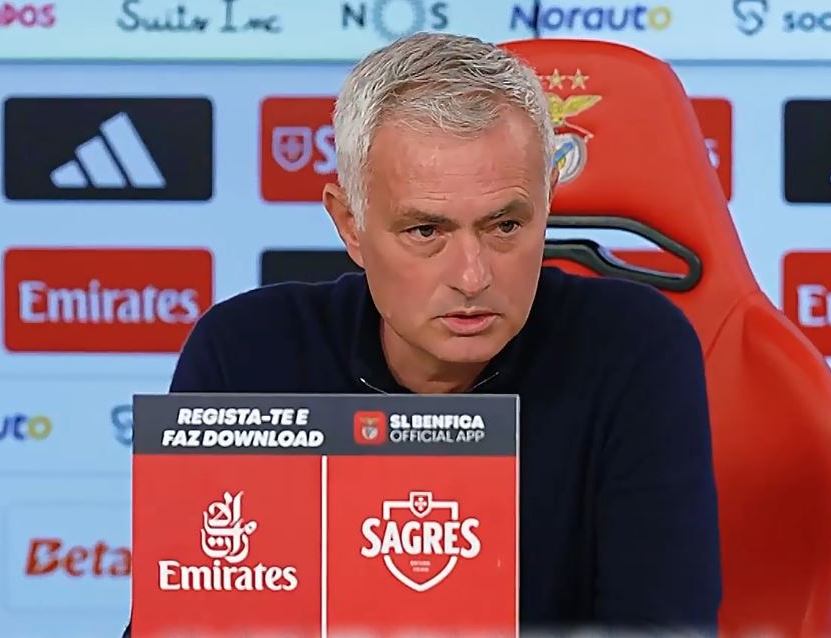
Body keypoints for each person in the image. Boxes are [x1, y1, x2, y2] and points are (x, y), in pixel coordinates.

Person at [123, 32, 720, 637]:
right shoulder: (245, 354)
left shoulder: (634, 350)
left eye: (505, 226)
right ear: (350, 225)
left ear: (547, 203)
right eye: (426, 231)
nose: (472, 277)